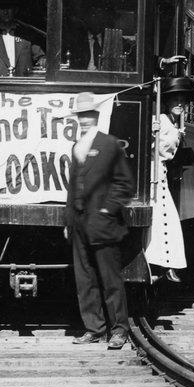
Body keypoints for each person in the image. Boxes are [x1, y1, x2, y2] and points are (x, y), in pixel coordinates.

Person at [65, 92, 134, 350]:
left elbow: (125, 184)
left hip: (103, 224)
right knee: (85, 279)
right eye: (80, 116)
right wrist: (68, 220)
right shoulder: (76, 147)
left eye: (87, 115)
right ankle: (93, 328)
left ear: (96, 116)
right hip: (79, 223)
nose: (83, 120)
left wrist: (107, 210)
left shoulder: (110, 144)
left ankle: (119, 329)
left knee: (110, 279)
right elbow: (72, 187)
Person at [144, 77, 194, 283]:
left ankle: (164, 264)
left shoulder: (171, 121)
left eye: (183, 101)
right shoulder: (159, 120)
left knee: (165, 219)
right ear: (167, 102)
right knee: (164, 218)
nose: (180, 104)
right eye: (175, 100)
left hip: (161, 172)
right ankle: (161, 264)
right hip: (154, 173)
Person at [0, 1, 44, 76]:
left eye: (9, 8)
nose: (5, 12)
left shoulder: (26, 36)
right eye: (2, 9)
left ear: (15, 10)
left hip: (23, 85)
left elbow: (40, 58)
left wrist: (43, 61)